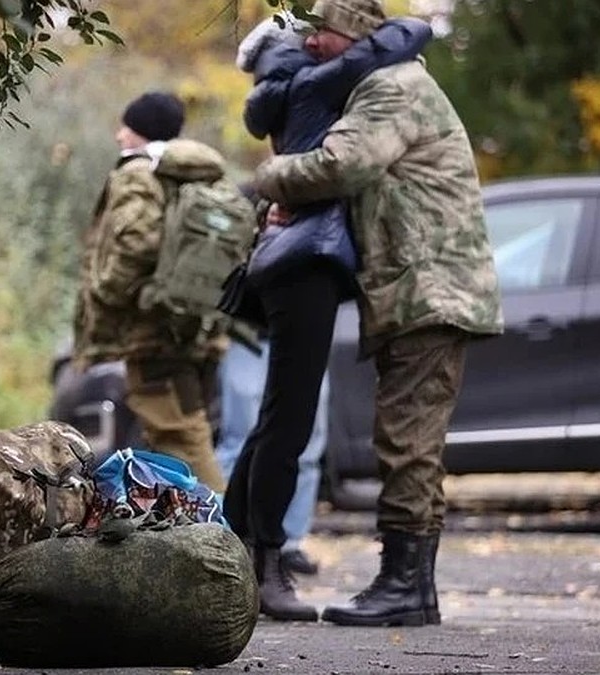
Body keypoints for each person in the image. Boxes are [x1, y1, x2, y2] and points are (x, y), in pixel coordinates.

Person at [253, 0, 503, 627]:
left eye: (325, 34)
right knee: (407, 438)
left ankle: (405, 587)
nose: (312, 45)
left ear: (359, 36)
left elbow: (341, 165)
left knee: (408, 441)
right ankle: (407, 586)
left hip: (427, 289)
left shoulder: (390, 89)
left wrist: (268, 178)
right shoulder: (391, 85)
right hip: (416, 288)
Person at [222, 9, 432, 621]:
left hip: (293, 264)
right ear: (291, 55)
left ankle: (240, 550)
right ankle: (265, 564)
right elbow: (403, 39)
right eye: (305, 38)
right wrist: (399, 26)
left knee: (277, 418)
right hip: (305, 264)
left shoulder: (287, 90)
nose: (316, 41)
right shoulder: (314, 84)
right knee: (288, 421)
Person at [71, 91, 228, 491]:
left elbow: (137, 242)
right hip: (194, 322)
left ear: (141, 131)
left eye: (127, 126)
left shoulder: (140, 173)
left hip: (155, 331)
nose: (120, 135)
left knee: (181, 438)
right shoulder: (189, 176)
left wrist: (106, 292)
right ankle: (196, 538)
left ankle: (223, 539)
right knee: (181, 434)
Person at [212, 335, 329, 577]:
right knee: (239, 440)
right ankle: (225, 539)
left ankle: (290, 544)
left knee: (306, 444)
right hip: (246, 332)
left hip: (306, 329)